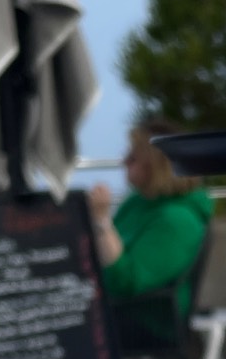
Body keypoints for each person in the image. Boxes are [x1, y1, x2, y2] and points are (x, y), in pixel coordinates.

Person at [90, 119, 213, 305]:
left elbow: (125, 282)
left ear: (156, 165)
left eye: (132, 158)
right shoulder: (138, 202)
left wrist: (101, 220)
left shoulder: (177, 221)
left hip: (141, 323)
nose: (124, 162)